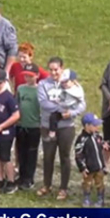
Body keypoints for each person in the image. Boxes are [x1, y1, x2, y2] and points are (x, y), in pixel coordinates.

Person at [37, 57, 86, 201]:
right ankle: (47, 184)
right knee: (48, 156)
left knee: (64, 157)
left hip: (66, 126)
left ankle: (63, 188)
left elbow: (82, 104)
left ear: (62, 69)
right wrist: (61, 108)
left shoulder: (72, 85)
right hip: (47, 125)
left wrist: (70, 113)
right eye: (50, 69)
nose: (53, 72)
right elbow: (43, 103)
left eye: (56, 70)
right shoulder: (43, 84)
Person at [15, 70, 41, 190]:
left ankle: (29, 178)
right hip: (21, 125)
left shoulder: (40, 90)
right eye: (25, 75)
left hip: (34, 125)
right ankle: (21, 175)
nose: (27, 78)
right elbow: (17, 103)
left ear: (37, 76)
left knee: (31, 152)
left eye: (30, 76)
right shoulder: (20, 88)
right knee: (21, 151)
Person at [75, 113, 107, 207]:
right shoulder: (81, 139)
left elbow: (100, 141)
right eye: (94, 125)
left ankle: (100, 198)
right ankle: (86, 198)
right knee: (87, 183)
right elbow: (78, 154)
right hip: (88, 167)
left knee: (100, 183)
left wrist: (103, 144)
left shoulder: (97, 135)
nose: (97, 127)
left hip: (99, 166)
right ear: (87, 126)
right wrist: (82, 167)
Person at [47, 70, 85, 139]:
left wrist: (71, 112)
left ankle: (53, 131)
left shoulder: (76, 90)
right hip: (62, 109)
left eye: (66, 81)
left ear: (73, 80)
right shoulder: (61, 89)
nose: (64, 84)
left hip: (71, 110)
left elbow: (81, 104)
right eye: (63, 82)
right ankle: (52, 131)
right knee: (53, 117)